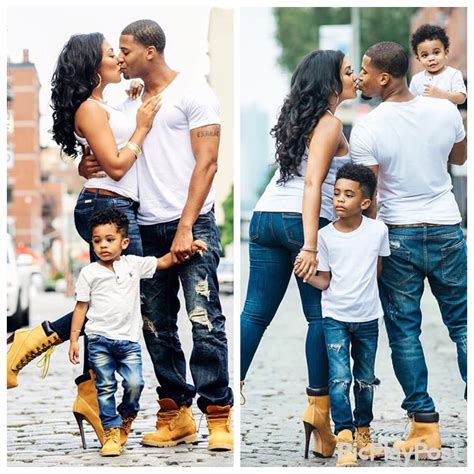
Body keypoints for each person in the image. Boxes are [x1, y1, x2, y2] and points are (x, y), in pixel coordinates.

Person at [78, 19, 234, 451]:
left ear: (150, 51)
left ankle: (219, 414)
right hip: (144, 227)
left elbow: (208, 164)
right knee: (155, 326)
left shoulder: (194, 93)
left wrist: (186, 226)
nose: (119, 58)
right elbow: (112, 155)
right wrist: (84, 165)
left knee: (204, 320)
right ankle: (176, 413)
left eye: (125, 50)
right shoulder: (128, 102)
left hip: (193, 222)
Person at [7, 31, 160, 445]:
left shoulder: (102, 104)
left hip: (109, 204)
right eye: (112, 54)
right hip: (107, 206)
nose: (118, 58)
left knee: (114, 300)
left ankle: (81, 381)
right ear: (94, 65)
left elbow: (98, 158)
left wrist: (132, 97)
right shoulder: (91, 109)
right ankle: (43, 343)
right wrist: (142, 127)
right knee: (122, 299)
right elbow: (114, 165)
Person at [351, 41, 467, 460]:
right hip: (446, 227)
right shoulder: (444, 110)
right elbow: (459, 155)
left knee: (404, 332)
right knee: (463, 325)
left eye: (364, 70)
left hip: (398, 231)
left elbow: (371, 196)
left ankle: (424, 426)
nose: (360, 77)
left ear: (384, 78)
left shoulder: (368, 125)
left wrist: (372, 251)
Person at [240, 49, 357, 458]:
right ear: (329, 81)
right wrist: (310, 243)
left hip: (265, 217)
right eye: (347, 71)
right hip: (301, 222)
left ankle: (222, 397)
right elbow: (312, 183)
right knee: (320, 318)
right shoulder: (329, 122)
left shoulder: (297, 119)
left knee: (254, 313)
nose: (354, 76)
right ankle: (318, 412)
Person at [69, 208, 206, 456]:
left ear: (124, 242)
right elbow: (80, 307)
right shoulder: (89, 273)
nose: (103, 246)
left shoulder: (133, 264)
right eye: (97, 241)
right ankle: (111, 432)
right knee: (106, 386)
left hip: (128, 342)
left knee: (135, 383)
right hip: (99, 341)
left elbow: (164, 261)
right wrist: (74, 340)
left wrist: (189, 248)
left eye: (109, 240)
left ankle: (127, 414)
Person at [298, 163, 388, 467]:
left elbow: (377, 272)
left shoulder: (378, 231)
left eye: (348, 195)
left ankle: (364, 433)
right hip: (334, 317)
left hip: (367, 319)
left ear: (365, 203)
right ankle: (345, 436)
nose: (339, 200)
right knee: (339, 379)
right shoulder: (324, 236)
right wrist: (306, 276)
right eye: (336, 193)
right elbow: (324, 280)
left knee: (365, 380)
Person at [409, 24, 466, 105]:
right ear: (419, 59)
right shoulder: (416, 79)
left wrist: (441, 94)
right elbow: (411, 103)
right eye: (425, 55)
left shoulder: (453, 74)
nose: (431, 58)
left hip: (448, 117)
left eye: (436, 52)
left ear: (445, 52)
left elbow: (461, 98)